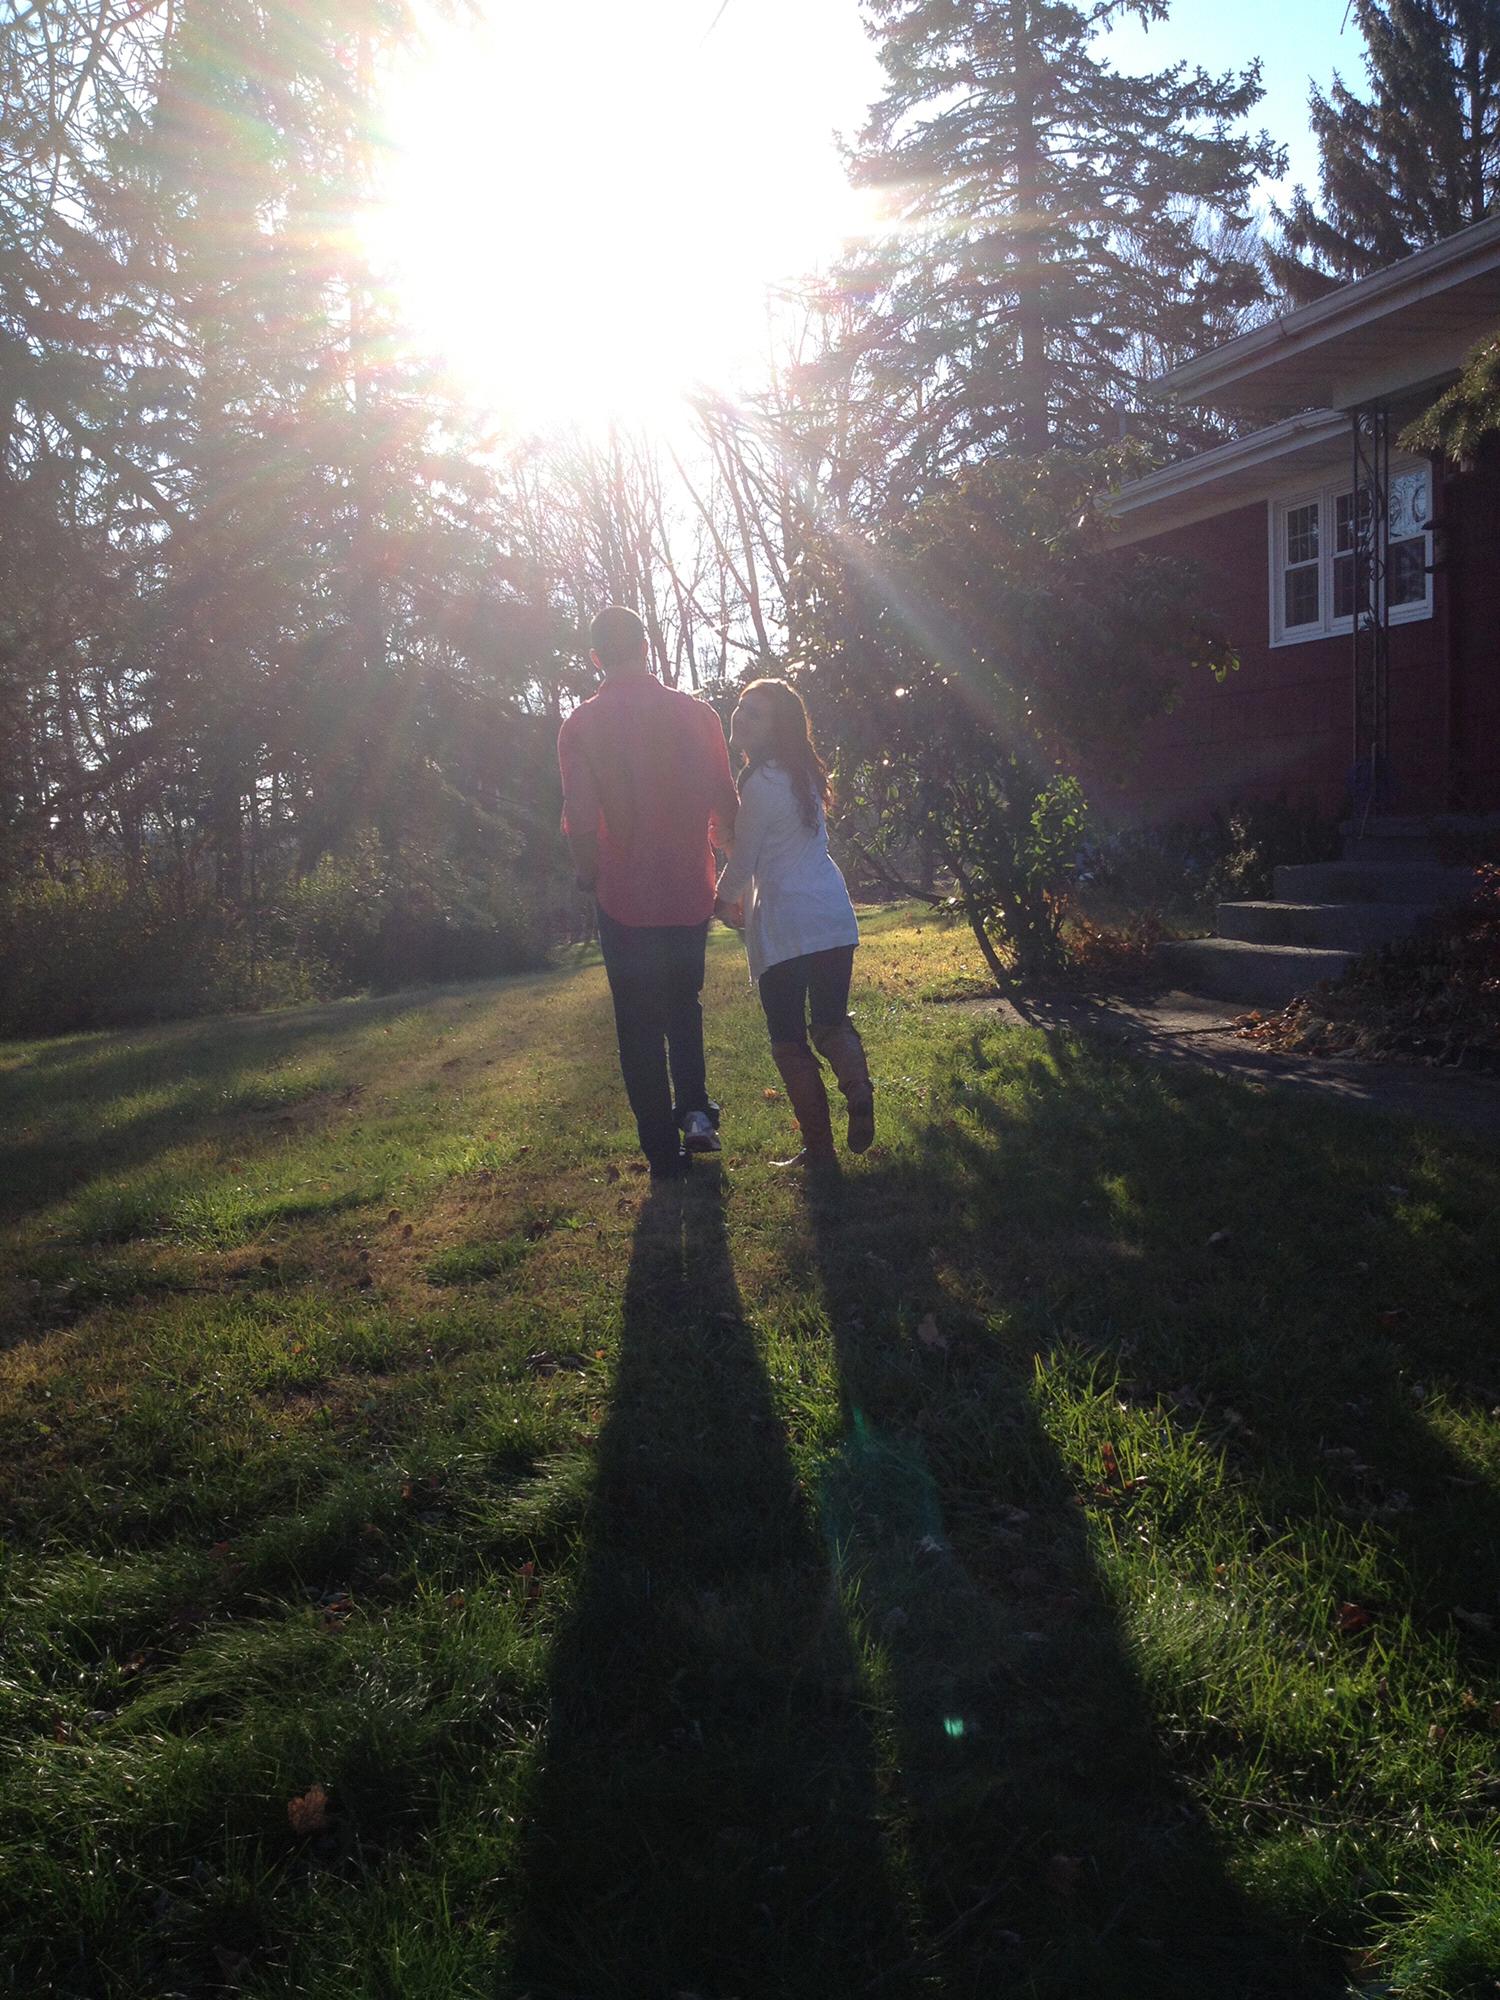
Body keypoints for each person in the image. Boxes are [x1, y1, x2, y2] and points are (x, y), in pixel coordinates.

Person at [558, 605, 739, 1181]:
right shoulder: (698, 715)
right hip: (688, 888)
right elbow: (725, 800)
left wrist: (588, 874)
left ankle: (662, 1152)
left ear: (596, 658)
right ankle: (696, 1113)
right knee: (684, 1003)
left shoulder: (581, 725)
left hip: (624, 897)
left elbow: (580, 817)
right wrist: (729, 865)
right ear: (645, 645)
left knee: (636, 1020)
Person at [714, 678, 874, 1168]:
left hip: (787, 923)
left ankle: (820, 1150)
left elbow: (746, 859)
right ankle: (858, 1089)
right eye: (741, 706)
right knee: (830, 1023)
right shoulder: (804, 773)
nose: (741, 715)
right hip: (831, 916)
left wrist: (721, 900)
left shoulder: (759, 781)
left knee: (788, 1040)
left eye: (756, 712)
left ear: (777, 728)